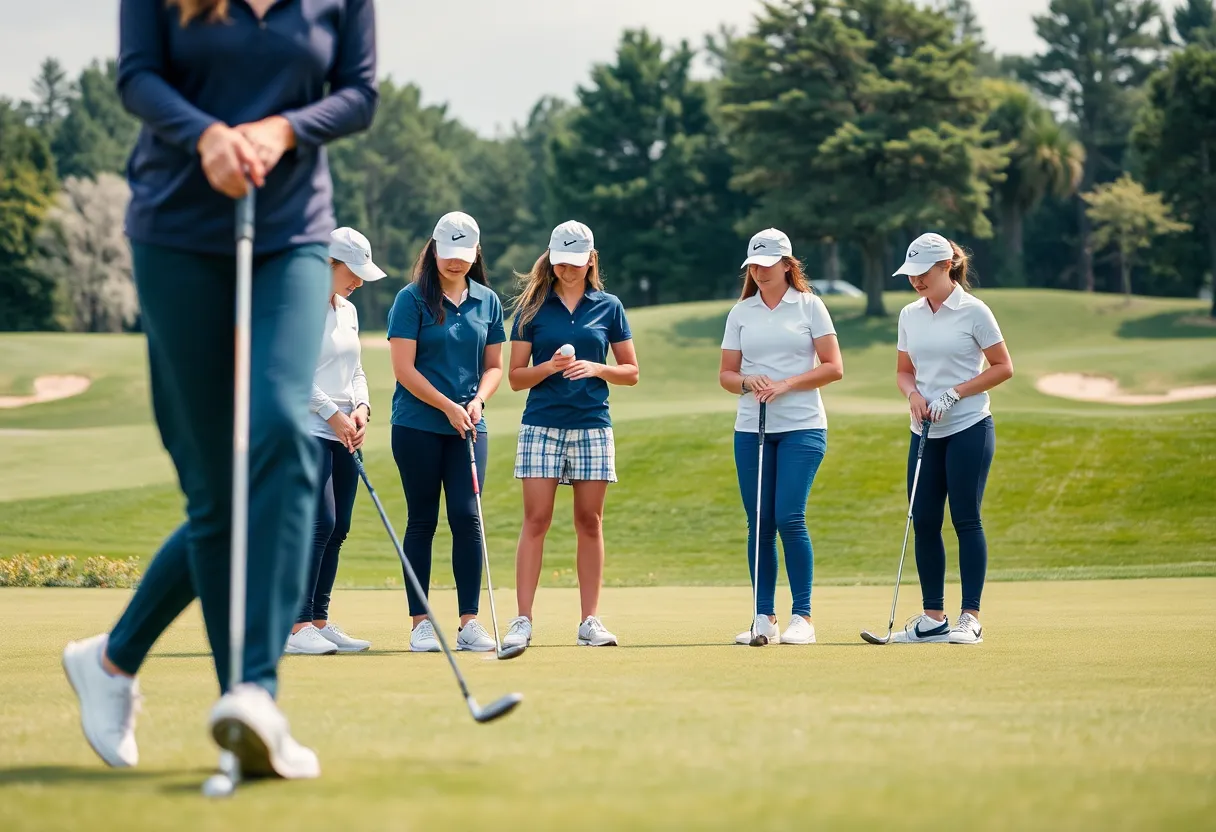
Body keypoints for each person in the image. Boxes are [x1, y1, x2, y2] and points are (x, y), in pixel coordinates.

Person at [61, 0, 377, 780]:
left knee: (277, 430)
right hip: (176, 231)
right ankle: (111, 662)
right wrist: (206, 133)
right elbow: (137, 75)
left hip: (292, 233)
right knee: (216, 492)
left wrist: (286, 128)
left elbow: (359, 90)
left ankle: (254, 697)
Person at [500, 221, 639, 650]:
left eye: (576, 263)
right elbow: (516, 378)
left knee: (589, 522)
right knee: (536, 520)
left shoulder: (609, 306)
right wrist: (550, 368)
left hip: (592, 424)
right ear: (551, 259)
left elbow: (631, 372)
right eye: (561, 263)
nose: (568, 270)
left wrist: (597, 368)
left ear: (591, 260)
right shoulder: (532, 308)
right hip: (541, 423)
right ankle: (522, 619)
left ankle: (590, 621)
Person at [386, 212, 505, 653]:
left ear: (476, 253)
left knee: (467, 516)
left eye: (464, 255)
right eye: (448, 254)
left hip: (469, 427)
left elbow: (493, 367)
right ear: (433, 249)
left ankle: (469, 622)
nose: (455, 263)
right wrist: (449, 406)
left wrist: (476, 403)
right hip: (417, 425)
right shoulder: (411, 299)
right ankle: (420, 623)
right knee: (423, 519)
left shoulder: (488, 301)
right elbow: (403, 369)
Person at [718, 229, 844, 646]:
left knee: (790, 516)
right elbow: (726, 375)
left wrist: (787, 384)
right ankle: (763, 617)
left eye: (766, 263)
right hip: (751, 427)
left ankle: (802, 618)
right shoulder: (741, 313)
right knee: (760, 522)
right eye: (752, 264)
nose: (757, 270)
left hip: (803, 426)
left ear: (787, 265)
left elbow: (833, 367)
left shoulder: (810, 306)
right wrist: (746, 381)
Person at [890, 232, 1014, 645]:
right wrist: (914, 395)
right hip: (925, 428)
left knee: (965, 518)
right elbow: (904, 370)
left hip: (969, 427)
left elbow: (1002, 367)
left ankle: (970, 618)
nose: (916, 281)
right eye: (911, 275)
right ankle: (933, 618)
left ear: (946, 267)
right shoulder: (910, 314)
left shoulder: (974, 311)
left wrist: (955, 392)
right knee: (924, 521)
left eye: (923, 273)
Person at [285, 228, 386, 656]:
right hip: (308, 429)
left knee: (339, 526)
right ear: (328, 264)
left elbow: (356, 369)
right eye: (353, 272)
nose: (359, 281)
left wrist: (361, 409)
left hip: (346, 428)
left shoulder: (346, 310)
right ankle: (296, 625)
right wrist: (334, 414)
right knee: (320, 521)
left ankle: (320, 620)